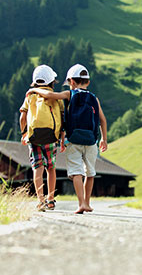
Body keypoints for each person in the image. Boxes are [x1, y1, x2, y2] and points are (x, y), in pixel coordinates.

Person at [27, 64, 107, 214]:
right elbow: (102, 120)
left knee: (77, 172)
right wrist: (104, 139)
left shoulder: (70, 94)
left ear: (71, 82)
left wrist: (33, 90)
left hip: (74, 141)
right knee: (90, 173)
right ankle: (88, 203)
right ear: (88, 82)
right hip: (91, 141)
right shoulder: (94, 98)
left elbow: (49, 95)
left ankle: (81, 203)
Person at [19, 65, 65, 211]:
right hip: (51, 138)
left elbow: (22, 117)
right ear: (52, 81)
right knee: (51, 168)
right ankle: (51, 199)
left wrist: (24, 133)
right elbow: (63, 119)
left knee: (37, 168)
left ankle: (40, 200)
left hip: (33, 137)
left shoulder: (30, 96)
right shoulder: (56, 98)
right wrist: (62, 135)